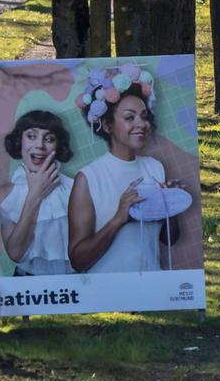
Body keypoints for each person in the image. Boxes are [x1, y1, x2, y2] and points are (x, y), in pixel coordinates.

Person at [67, 65, 179, 273]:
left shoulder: (155, 167)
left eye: (144, 116)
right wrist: (119, 218)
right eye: (129, 117)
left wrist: (170, 205)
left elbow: (169, 240)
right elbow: (77, 260)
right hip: (105, 296)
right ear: (107, 125)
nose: (141, 124)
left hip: (150, 291)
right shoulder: (89, 178)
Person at [0, 109, 76, 275]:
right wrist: (35, 194)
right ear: (20, 141)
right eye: (31, 136)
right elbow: (16, 253)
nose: (40, 145)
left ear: (58, 145)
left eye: (49, 139)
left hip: (74, 286)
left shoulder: (74, 188)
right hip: (27, 288)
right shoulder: (5, 193)